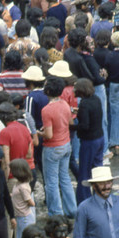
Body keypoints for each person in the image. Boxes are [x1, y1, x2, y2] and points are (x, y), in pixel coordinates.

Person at [37, 76, 77, 217]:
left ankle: (56, 213)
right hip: (66, 144)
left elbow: (48, 135)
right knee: (65, 178)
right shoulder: (65, 104)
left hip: (53, 148)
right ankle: (72, 210)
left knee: (51, 182)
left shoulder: (46, 110)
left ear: (47, 91)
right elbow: (70, 122)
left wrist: (37, 133)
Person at [74, 166, 119, 238]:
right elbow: (78, 237)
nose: (107, 186)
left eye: (109, 182)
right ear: (93, 185)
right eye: (101, 183)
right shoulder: (84, 208)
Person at [70, 78, 104, 204]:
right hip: (100, 138)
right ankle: (100, 197)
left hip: (89, 141)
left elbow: (84, 125)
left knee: (84, 173)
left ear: (81, 91)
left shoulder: (84, 104)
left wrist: (70, 127)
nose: (74, 90)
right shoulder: (96, 99)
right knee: (97, 170)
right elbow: (91, 114)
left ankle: (83, 201)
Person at [10, 158, 35, 238]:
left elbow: (32, 203)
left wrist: (26, 200)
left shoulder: (23, 187)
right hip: (20, 217)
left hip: (25, 218)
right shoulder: (18, 183)